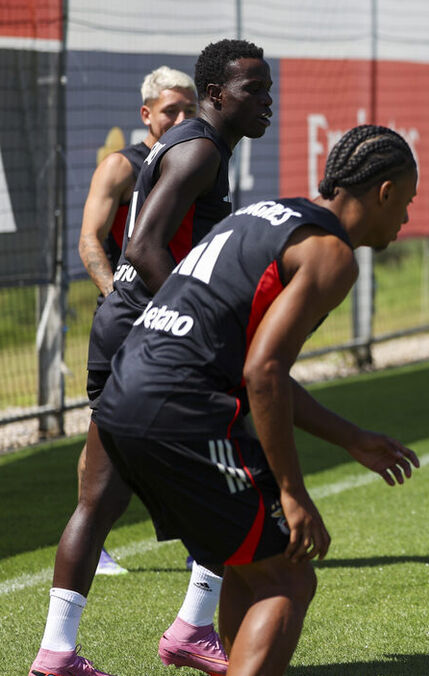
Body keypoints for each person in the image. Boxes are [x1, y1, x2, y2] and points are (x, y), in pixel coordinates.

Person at [91, 124, 420, 676]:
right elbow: (264, 372)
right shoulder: (331, 255)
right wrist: (292, 491)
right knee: (289, 578)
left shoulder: (268, 214)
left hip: (125, 396)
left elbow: (257, 367)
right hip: (181, 405)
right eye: (407, 202)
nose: (407, 218)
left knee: (249, 565)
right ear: (384, 193)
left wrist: (352, 439)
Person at [29, 39, 272, 676]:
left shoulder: (192, 144)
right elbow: (142, 246)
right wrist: (196, 318)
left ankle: (56, 652)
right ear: (217, 94)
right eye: (254, 90)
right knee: (238, 472)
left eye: (269, 89)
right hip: (155, 338)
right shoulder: (200, 149)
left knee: (101, 500)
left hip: (126, 330)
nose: (267, 103)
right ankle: (192, 627)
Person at [76, 66, 198, 579]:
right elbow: (90, 239)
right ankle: (92, 543)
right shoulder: (122, 166)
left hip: (178, 312)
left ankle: (200, 539)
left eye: (190, 109)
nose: (183, 118)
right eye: (171, 110)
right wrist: (117, 296)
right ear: (146, 114)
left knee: (187, 422)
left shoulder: (197, 160)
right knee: (105, 431)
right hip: (128, 316)